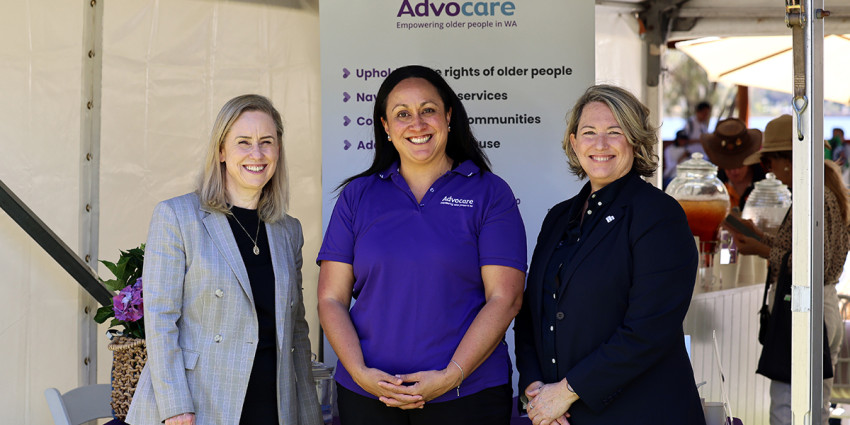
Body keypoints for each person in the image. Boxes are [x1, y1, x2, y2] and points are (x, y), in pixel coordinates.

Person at [317, 65, 526, 425]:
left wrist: (451, 376)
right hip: (368, 396)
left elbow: (505, 298)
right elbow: (330, 299)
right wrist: (361, 373)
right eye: (402, 114)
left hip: (467, 394)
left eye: (428, 109)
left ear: (448, 116)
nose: (417, 124)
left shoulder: (490, 194)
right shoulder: (357, 197)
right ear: (385, 126)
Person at [514, 84, 706, 425]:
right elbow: (532, 314)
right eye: (589, 132)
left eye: (614, 132)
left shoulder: (659, 215)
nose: (600, 145)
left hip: (641, 412)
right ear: (574, 143)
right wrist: (535, 389)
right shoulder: (559, 217)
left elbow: (648, 329)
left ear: (634, 140)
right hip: (560, 413)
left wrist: (567, 391)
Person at [126, 95, 322, 425]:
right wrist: (175, 407)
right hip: (200, 403)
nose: (256, 154)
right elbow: (160, 320)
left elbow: (297, 331)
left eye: (266, 142)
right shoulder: (177, 216)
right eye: (243, 142)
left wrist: (308, 412)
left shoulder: (289, 231)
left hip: (275, 405)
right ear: (221, 151)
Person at [726, 115, 850, 425]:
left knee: (786, 407)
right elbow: (809, 255)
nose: (767, 170)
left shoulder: (813, 198)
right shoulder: (825, 192)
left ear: (787, 160)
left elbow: (810, 265)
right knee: (815, 406)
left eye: (768, 161)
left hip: (805, 307)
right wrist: (762, 239)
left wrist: (762, 249)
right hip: (824, 304)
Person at [700, 117, 765, 209]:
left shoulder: (765, 179)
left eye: (740, 164)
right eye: (729, 166)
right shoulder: (713, 185)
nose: (735, 171)